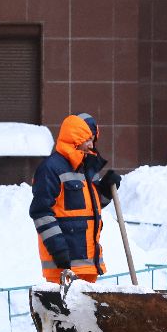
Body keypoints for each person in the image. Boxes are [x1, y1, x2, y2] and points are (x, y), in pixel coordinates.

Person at [30, 113, 121, 283]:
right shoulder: (51, 169)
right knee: (63, 310)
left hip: (88, 262)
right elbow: (41, 212)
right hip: (63, 266)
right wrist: (58, 250)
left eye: (93, 139)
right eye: (88, 139)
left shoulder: (85, 168)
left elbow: (89, 208)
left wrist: (106, 192)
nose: (92, 145)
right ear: (75, 140)